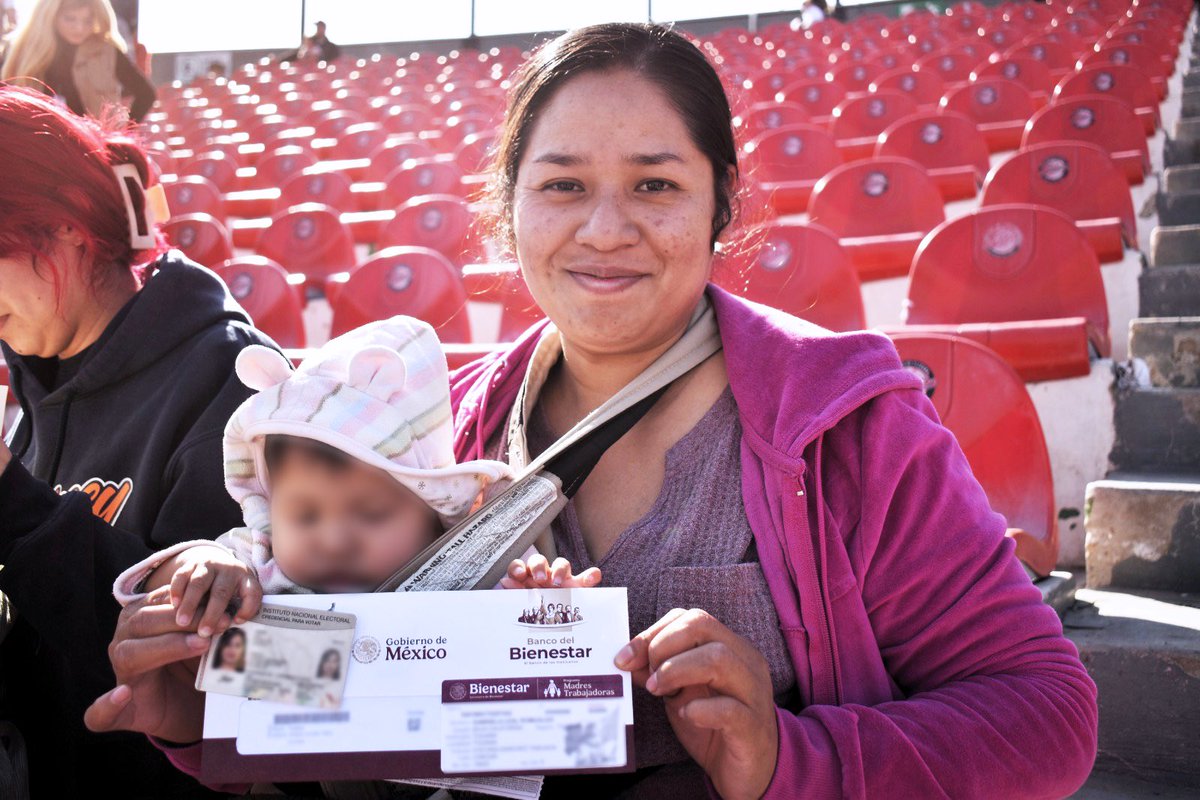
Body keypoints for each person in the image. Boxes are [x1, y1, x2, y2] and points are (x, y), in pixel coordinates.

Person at [87, 23, 1099, 800]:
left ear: (720, 204)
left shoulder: (840, 423)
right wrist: (202, 719)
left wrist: (794, 755)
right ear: (508, 206)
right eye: (563, 184)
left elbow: (1048, 714)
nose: (605, 230)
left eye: (655, 184)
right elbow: (362, 694)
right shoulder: (436, 436)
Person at [0, 85, 277, 797]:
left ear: (65, 228)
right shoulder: (33, 386)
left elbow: (203, 661)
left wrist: (9, 498)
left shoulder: (231, 378)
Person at [110, 316, 600, 635]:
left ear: (433, 510)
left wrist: (550, 603)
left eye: (369, 513)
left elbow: (545, 636)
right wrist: (205, 562)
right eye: (303, 515)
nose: (334, 538)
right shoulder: (260, 569)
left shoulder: (474, 573)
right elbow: (153, 582)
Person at [0, 0, 155, 123]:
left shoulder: (105, 51)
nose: (79, 28)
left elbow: (146, 94)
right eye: (70, 19)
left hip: (91, 149)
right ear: (51, 16)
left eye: (87, 21)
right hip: (39, 149)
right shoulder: (19, 51)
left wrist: (123, 133)